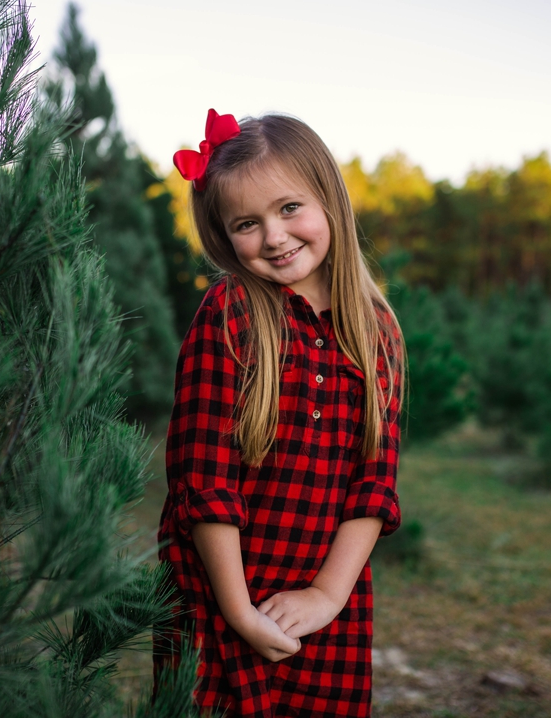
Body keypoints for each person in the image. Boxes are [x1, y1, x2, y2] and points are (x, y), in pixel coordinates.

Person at [154, 109, 405, 717]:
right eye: (247, 222)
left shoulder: (376, 332)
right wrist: (237, 611)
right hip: (217, 598)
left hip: (326, 608)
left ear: (329, 199)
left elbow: (374, 486)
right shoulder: (231, 313)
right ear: (224, 235)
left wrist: (326, 594)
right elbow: (204, 481)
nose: (273, 236)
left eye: (289, 208)